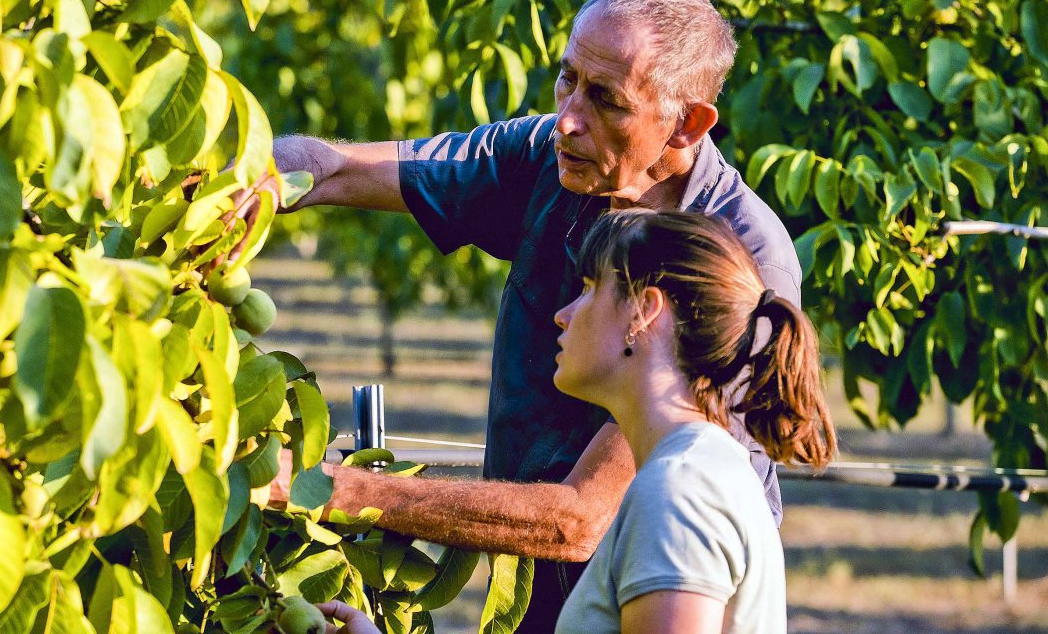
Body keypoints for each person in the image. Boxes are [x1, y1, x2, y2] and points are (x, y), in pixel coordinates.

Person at [261, 0, 803, 630]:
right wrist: (256, 175)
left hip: (641, 582)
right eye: (567, 78)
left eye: (607, 99)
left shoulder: (737, 262)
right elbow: (337, 167)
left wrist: (323, 490)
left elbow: (581, 518)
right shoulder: (553, 156)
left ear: (686, 123)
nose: (569, 118)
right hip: (540, 587)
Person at [298, 210, 837, 634]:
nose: (564, 312)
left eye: (588, 288)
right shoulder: (697, 467)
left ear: (642, 312)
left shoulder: (680, 491)